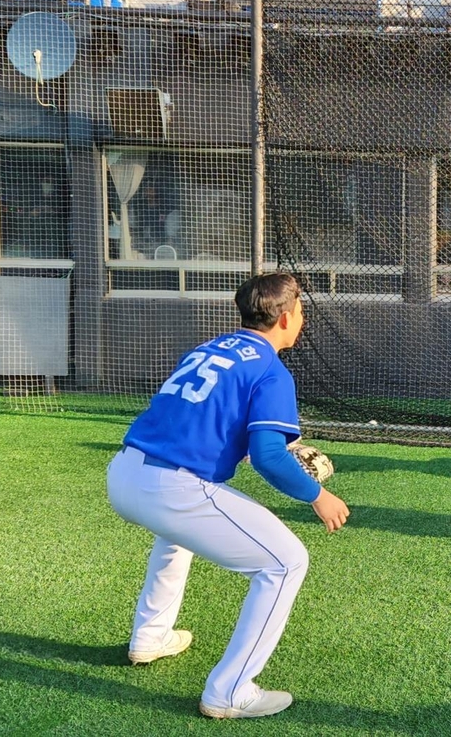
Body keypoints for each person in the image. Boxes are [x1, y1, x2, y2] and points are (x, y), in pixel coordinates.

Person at [106, 272, 350, 719]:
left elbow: (203, 423)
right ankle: (231, 690)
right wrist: (318, 496)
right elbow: (270, 457)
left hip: (124, 472)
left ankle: (150, 636)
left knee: (175, 536)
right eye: (300, 310)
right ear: (283, 317)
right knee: (286, 562)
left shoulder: (209, 348)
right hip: (173, 486)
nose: (302, 318)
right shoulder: (271, 370)